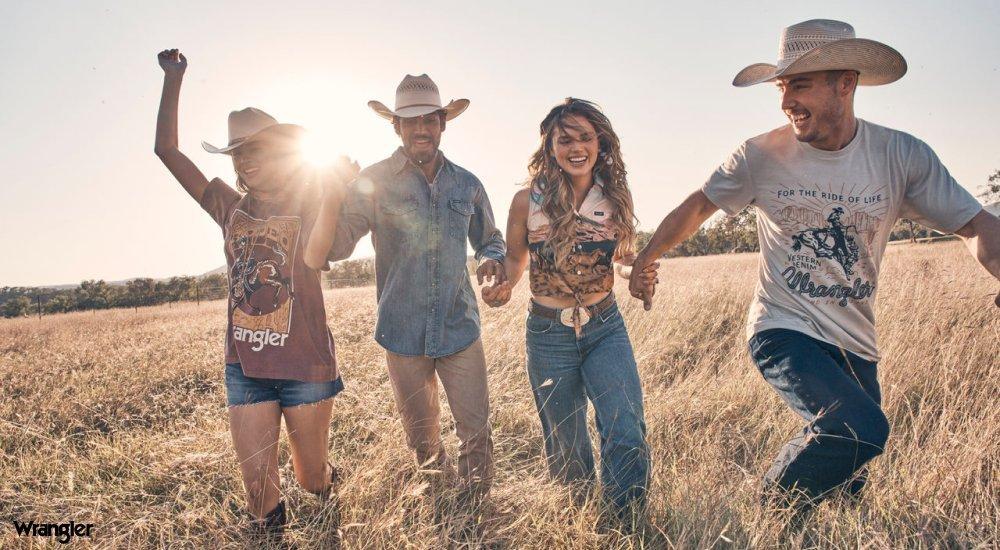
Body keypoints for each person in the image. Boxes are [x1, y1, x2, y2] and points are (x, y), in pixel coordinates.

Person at [629, 20, 1000, 512]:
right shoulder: (760, 155)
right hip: (783, 327)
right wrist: (647, 257)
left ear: (845, 83)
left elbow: (973, 224)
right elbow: (700, 205)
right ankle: (767, 513)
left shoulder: (900, 155)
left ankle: (804, 527)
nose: (787, 101)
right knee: (861, 429)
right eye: (782, 87)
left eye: (799, 85)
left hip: (856, 340)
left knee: (847, 476)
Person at [154, 49, 357, 539]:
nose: (244, 159)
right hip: (245, 366)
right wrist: (173, 79)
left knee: (311, 479)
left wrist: (335, 191)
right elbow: (167, 151)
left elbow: (316, 256)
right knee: (259, 493)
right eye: (237, 152)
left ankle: (328, 485)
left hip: (305, 365)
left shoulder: (310, 199)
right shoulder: (228, 206)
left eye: (255, 149)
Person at [326, 74, 506, 499]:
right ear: (397, 127)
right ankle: (441, 509)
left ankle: (475, 512)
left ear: (443, 123)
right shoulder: (372, 182)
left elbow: (490, 239)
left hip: (459, 326)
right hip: (402, 331)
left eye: (429, 120)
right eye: (411, 121)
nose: (421, 129)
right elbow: (337, 246)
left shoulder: (467, 184)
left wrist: (491, 260)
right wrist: (332, 192)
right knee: (423, 442)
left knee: (476, 432)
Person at [482, 98, 658, 527]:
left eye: (585, 137)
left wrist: (637, 273)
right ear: (550, 147)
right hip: (548, 334)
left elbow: (622, 257)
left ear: (600, 144)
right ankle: (578, 524)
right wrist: (501, 285)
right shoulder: (527, 202)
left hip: (605, 326)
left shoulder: (614, 198)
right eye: (565, 140)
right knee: (566, 440)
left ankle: (626, 524)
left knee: (625, 424)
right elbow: (515, 260)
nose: (576, 147)